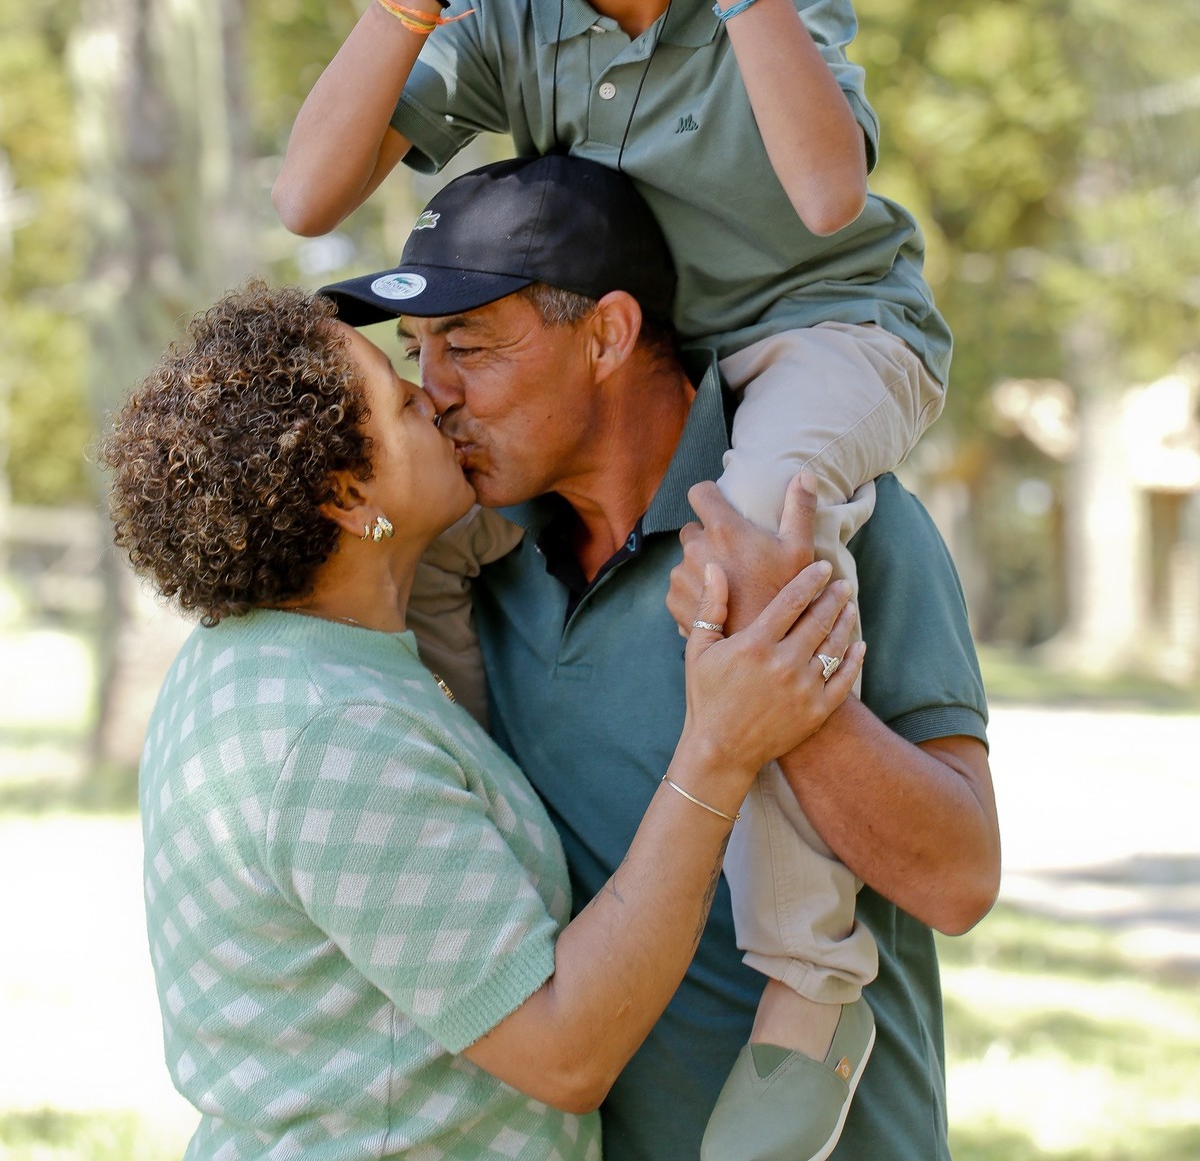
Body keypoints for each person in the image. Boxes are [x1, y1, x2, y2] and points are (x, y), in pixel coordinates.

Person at [275, 0, 952, 1153]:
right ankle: (510, 877)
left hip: (822, 332)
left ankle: (809, 986)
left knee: (752, 551)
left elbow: (828, 196)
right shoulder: (511, 2)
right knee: (433, 554)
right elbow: (311, 191)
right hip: (662, 367)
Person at [323, 154, 1001, 1161]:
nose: (439, 393)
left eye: (468, 346)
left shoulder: (832, 525)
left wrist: (776, 683)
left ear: (607, 334)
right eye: (418, 352)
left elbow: (958, 881)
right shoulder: (474, 564)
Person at [101, 280, 860, 1161]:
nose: (432, 398)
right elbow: (565, 1053)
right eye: (399, 401)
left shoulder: (260, 658)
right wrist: (719, 750)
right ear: (347, 496)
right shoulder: (330, 736)